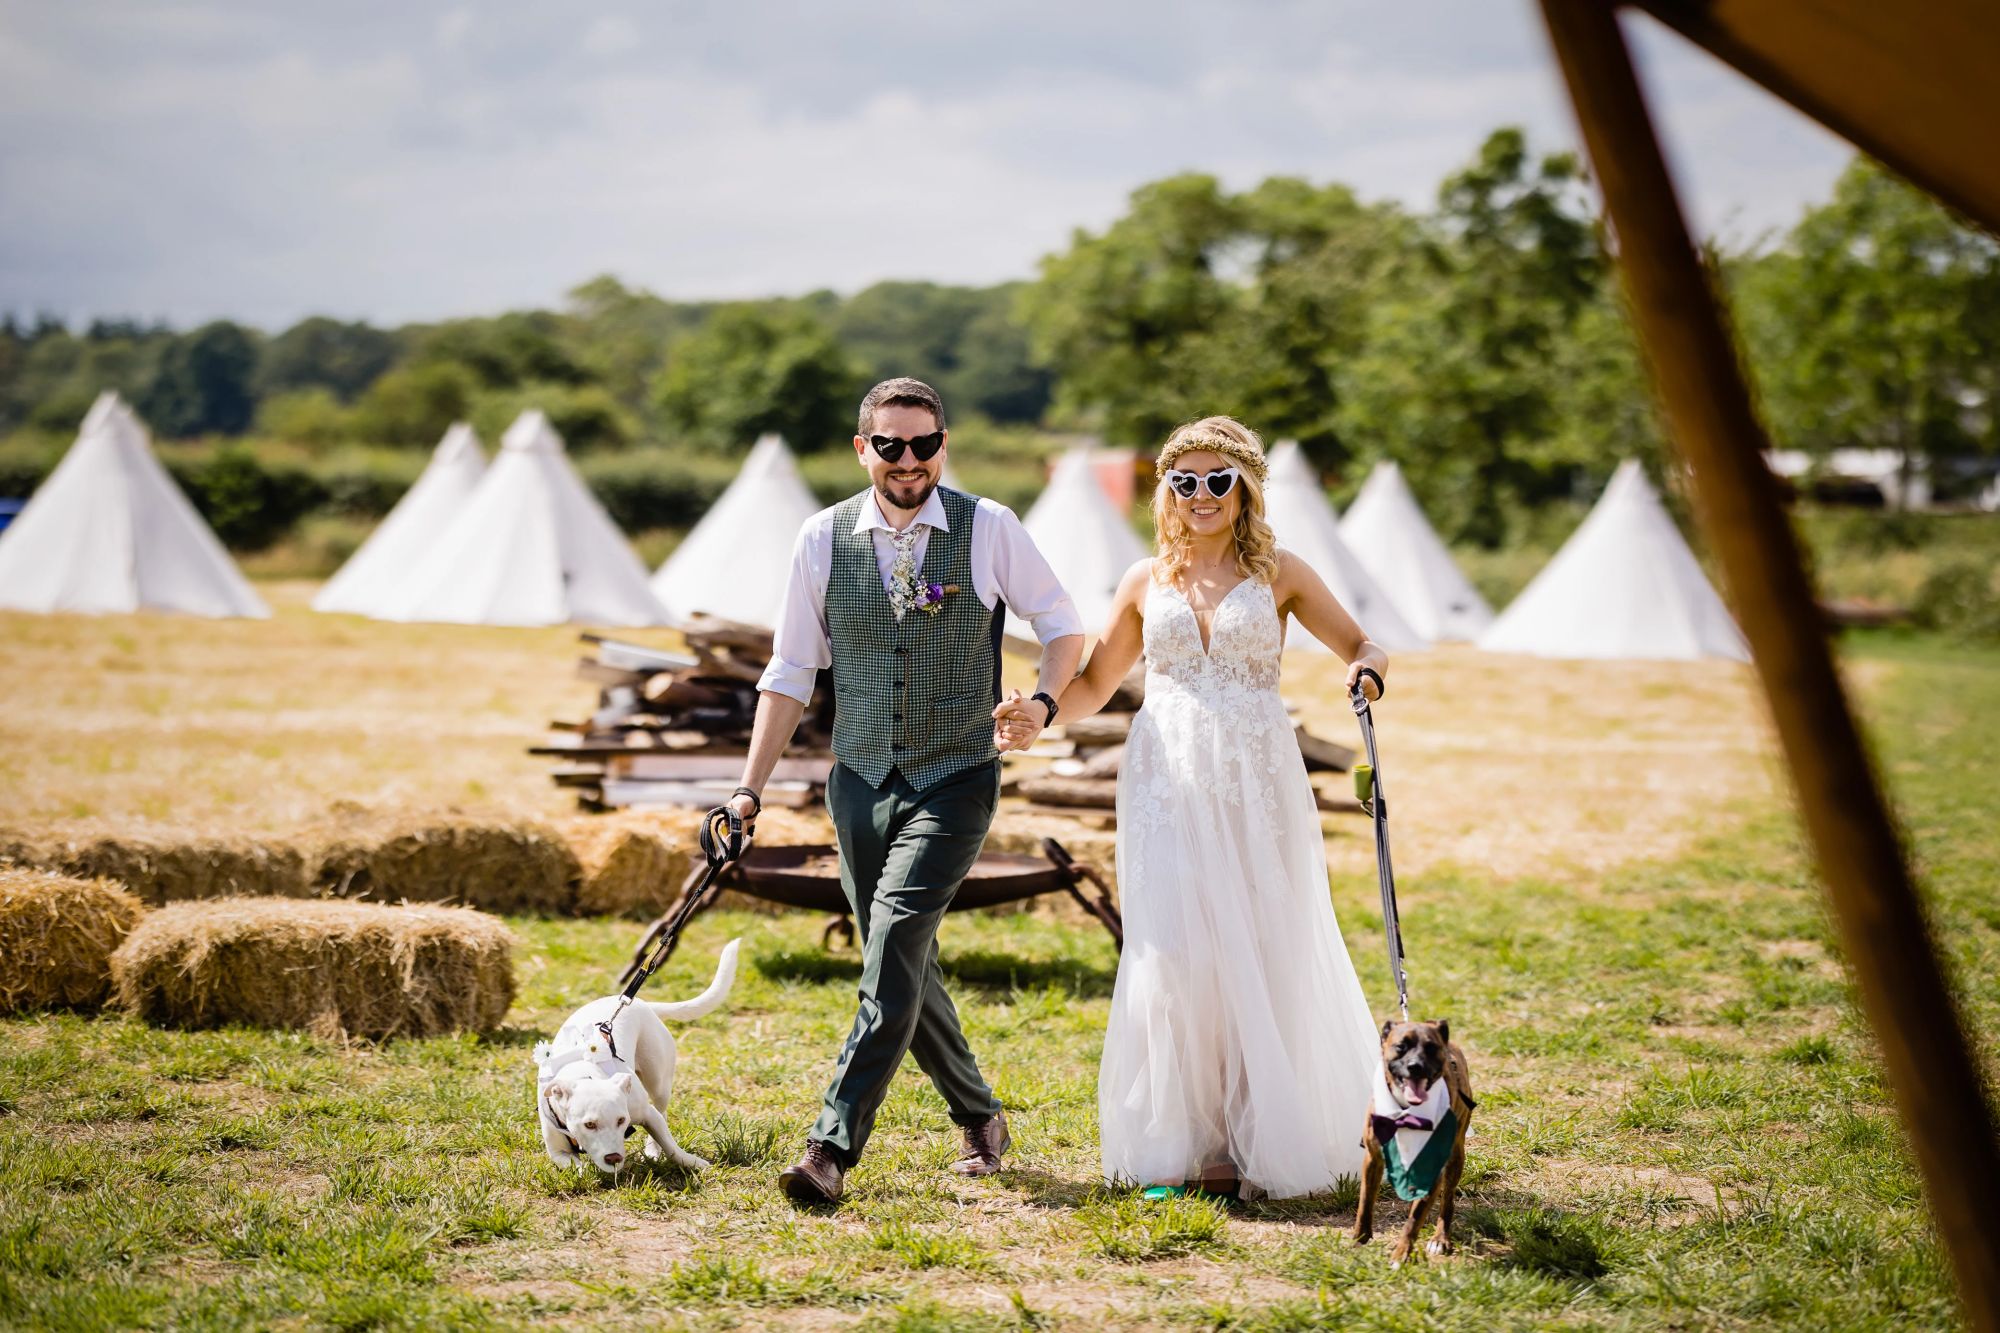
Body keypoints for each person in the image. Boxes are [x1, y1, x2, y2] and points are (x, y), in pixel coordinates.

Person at [998, 415, 1384, 1201]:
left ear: (1245, 489)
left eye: (1218, 481)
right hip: (1164, 780)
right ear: (1166, 491)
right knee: (1174, 953)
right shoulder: (1144, 580)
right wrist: (1040, 711)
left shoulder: (1284, 574)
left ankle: (1247, 1145)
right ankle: (1185, 1144)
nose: (1201, 496)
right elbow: (1098, 685)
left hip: (1255, 780)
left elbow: (1366, 647)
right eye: (1185, 481)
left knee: (1258, 942)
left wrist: (1366, 678)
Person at [731, 377, 1084, 1204]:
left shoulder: (989, 527)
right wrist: (747, 790)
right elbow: (790, 672)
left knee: (891, 944)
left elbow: (1065, 624)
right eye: (890, 445)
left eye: (923, 444)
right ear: (864, 449)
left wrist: (1040, 701)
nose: (908, 460)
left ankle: (830, 1146)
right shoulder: (820, 538)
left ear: (942, 444)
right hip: (857, 779)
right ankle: (980, 1114)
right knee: (900, 957)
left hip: (956, 774)